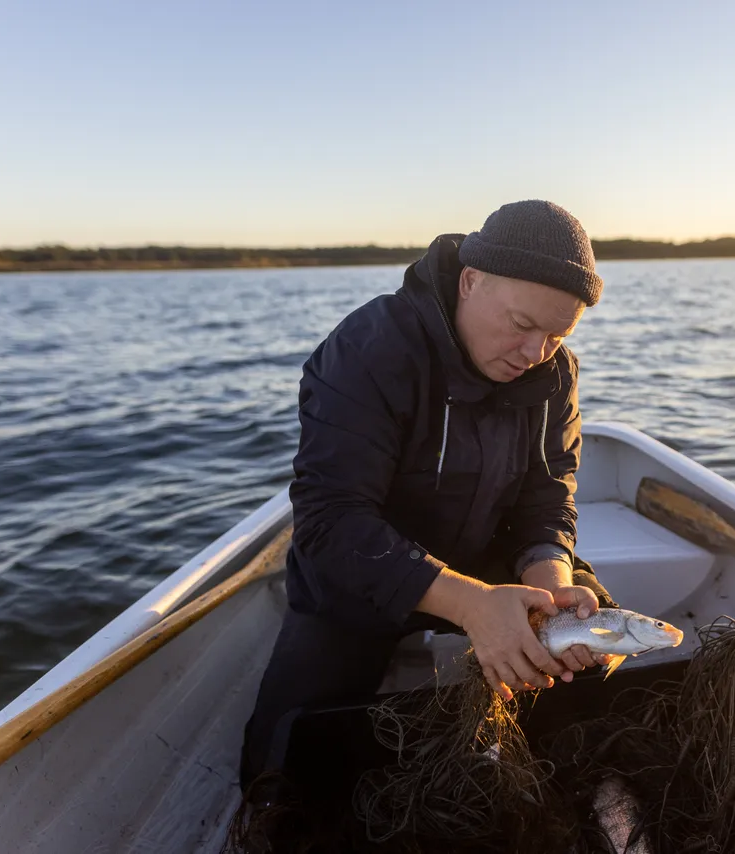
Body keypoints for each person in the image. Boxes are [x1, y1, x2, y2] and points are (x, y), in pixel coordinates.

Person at [240, 200, 616, 788]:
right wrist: (469, 605)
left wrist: (551, 574)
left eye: (557, 334)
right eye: (521, 325)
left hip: (487, 558)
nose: (534, 354)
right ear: (471, 281)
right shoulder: (370, 348)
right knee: (287, 757)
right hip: (362, 573)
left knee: (594, 651)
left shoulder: (554, 372)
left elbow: (547, 495)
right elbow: (329, 522)